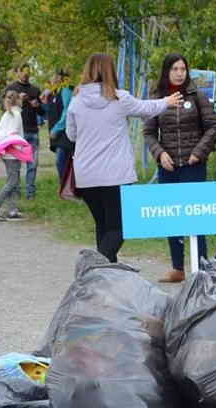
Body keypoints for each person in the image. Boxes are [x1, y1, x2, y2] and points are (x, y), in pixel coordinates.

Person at [66, 53, 181, 263]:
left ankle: (104, 276)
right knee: (120, 226)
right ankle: (96, 267)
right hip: (115, 174)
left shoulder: (76, 102)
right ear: (111, 71)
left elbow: (71, 135)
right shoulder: (119, 99)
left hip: (86, 175)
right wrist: (167, 100)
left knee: (103, 225)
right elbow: (146, 108)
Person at [143, 53, 216, 283]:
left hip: (193, 166)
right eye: (175, 69)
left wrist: (199, 151)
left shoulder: (197, 96)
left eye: (183, 69)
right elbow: (148, 132)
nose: (179, 73)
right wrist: (160, 153)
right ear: (167, 71)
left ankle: (202, 269)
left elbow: (213, 126)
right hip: (168, 167)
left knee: (197, 217)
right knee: (172, 217)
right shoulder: (157, 97)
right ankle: (177, 268)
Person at [0, 90, 28, 222]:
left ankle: (12, 210)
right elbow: (13, 133)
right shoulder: (16, 115)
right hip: (12, 153)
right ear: (19, 101)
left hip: (6, 152)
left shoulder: (7, 114)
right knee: (12, 181)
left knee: (15, 182)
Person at [5, 64, 43, 200]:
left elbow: (42, 112)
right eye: (23, 72)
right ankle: (16, 192)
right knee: (15, 165)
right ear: (18, 72)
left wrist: (37, 106)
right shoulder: (11, 88)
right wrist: (17, 99)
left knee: (32, 164)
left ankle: (30, 193)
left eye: (28, 72)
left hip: (32, 130)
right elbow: (4, 109)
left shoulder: (35, 90)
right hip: (16, 132)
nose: (26, 74)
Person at [41, 69, 74, 182]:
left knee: (61, 161)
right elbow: (48, 112)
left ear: (60, 77)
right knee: (63, 161)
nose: (51, 79)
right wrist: (44, 100)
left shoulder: (66, 90)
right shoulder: (53, 92)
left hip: (65, 132)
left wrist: (56, 128)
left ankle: (66, 188)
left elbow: (67, 111)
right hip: (57, 133)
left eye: (53, 75)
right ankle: (66, 188)